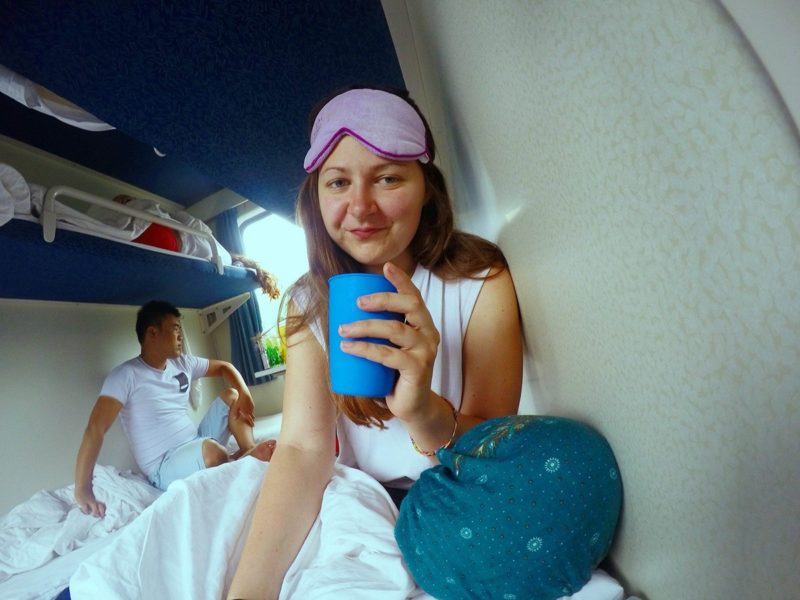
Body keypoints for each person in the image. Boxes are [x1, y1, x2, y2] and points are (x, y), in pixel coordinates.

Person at [227, 86, 525, 599]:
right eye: (337, 182)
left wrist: (422, 410)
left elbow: (491, 453)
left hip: (455, 490)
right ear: (315, 198)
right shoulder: (308, 301)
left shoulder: (480, 280)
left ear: (426, 187)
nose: (360, 207)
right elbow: (302, 448)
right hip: (363, 496)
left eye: (387, 178)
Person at [74, 300, 275, 516]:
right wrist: (82, 489)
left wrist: (245, 394)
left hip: (196, 440)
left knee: (231, 395)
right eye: (175, 329)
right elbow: (95, 429)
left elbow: (225, 368)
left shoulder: (183, 364)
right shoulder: (126, 375)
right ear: (153, 333)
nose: (180, 336)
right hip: (164, 464)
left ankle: (247, 449)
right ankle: (241, 461)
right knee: (212, 451)